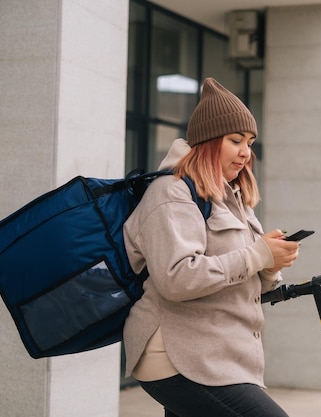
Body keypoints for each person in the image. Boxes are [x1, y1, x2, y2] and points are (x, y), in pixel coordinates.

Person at [123, 77, 300, 417]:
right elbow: (177, 277)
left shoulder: (232, 197)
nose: (246, 152)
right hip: (178, 356)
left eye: (249, 142)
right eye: (236, 140)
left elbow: (242, 275)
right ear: (208, 141)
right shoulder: (171, 192)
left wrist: (270, 264)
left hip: (218, 356)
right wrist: (256, 255)